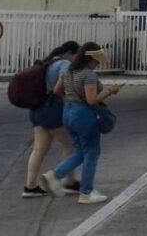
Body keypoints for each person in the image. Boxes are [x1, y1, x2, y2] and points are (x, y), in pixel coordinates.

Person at [40, 42, 122, 204]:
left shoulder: (68, 71)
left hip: (67, 112)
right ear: (90, 58)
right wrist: (110, 91)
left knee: (81, 150)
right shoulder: (88, 75)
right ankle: (86, 192)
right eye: (97, 60)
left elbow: (56, 91)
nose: (98, 63)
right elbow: (92, 100)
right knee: (91, 152)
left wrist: (70, 99)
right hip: (83, 114)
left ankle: (54, 175)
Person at [22, 41, 82, 198]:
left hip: (37, 109)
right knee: (70, 145)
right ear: (69, 53)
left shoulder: (47, 63)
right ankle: (70, 182)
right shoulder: (64, 64)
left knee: (39, 149)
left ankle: (30, 186)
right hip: (51, 109)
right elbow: (65, 81)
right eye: (76, 55)